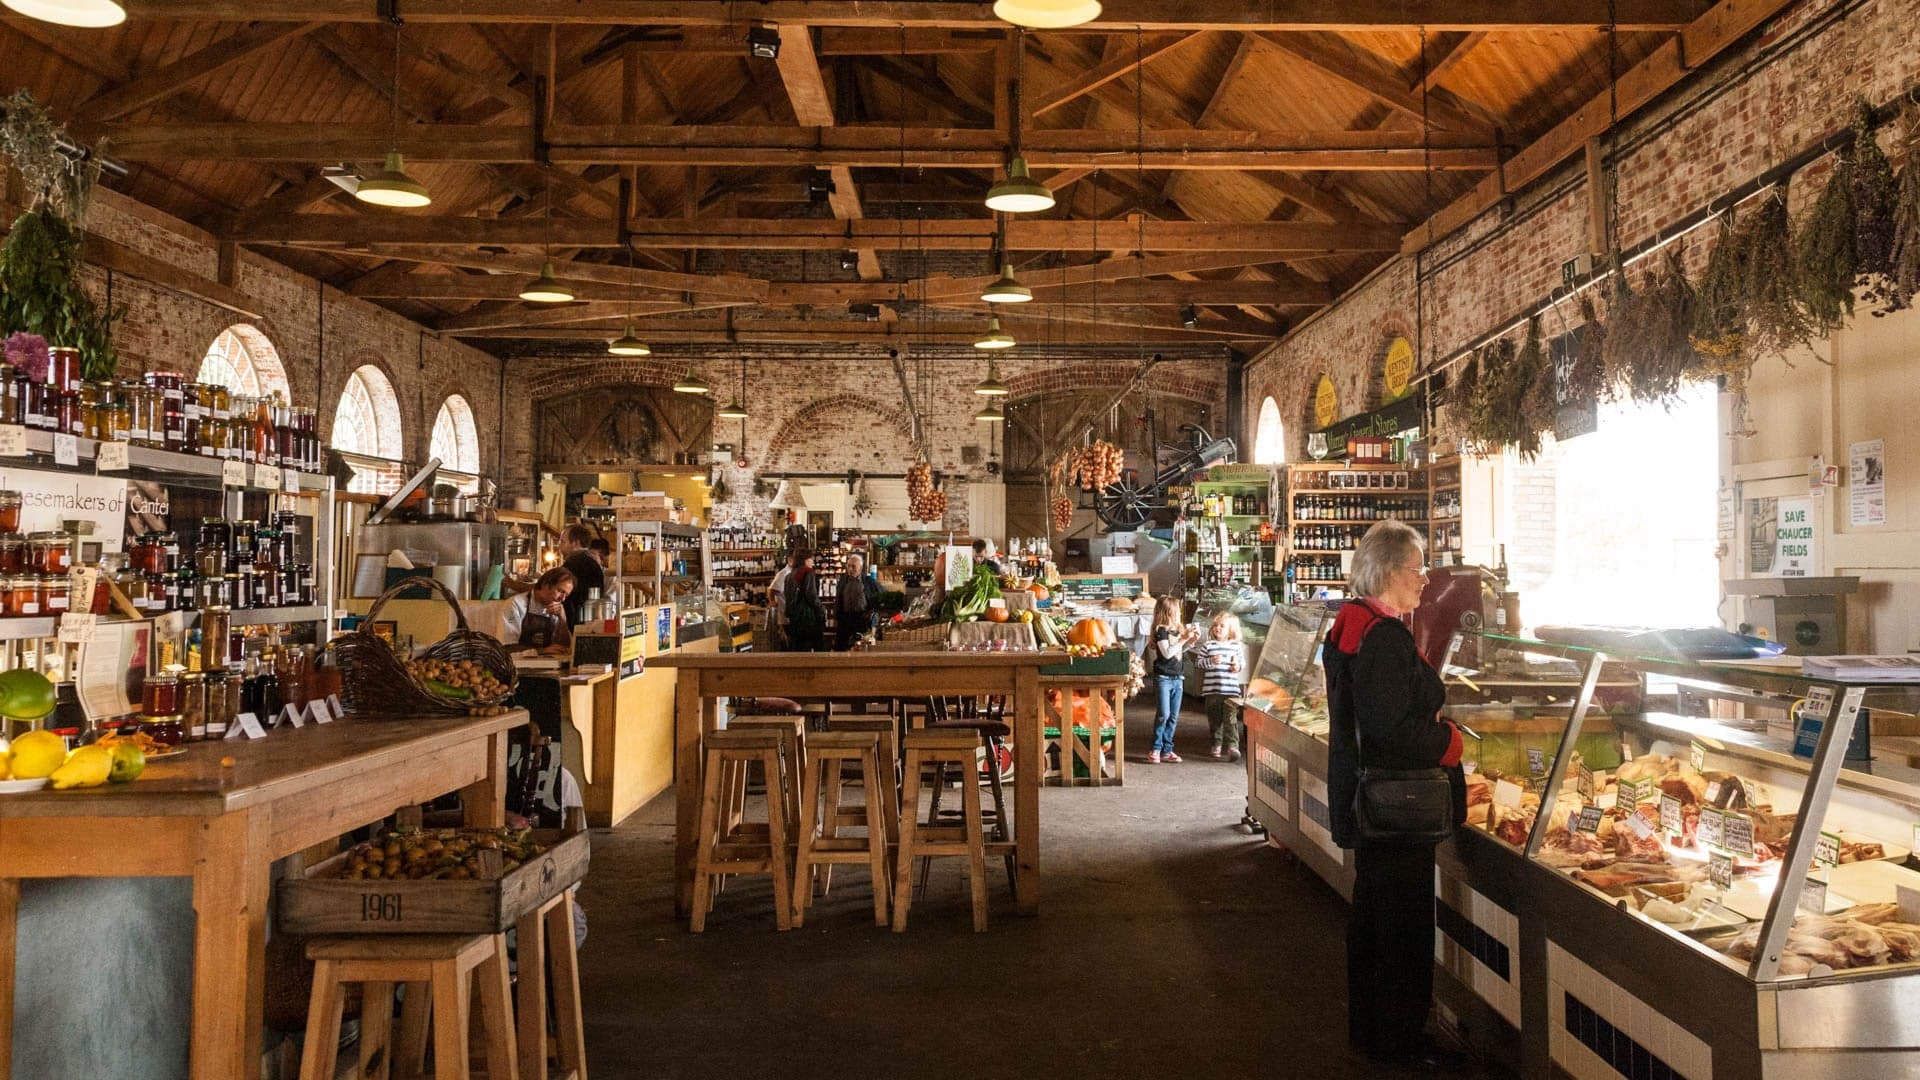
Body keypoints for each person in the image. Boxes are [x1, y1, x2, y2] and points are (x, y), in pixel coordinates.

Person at [1324, 520, 1466, 1072]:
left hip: (1369, 800)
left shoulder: (1352, 622)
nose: (1425, 579)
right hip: (1397, 806)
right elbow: (1391, 731)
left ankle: (1374, 1029)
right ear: (1387, 572)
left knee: (1375, 919)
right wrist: (1447, 743)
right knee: (1402, 927)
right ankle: (1401, 1039)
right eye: (1417, 568)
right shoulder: (1383, 637)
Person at [1148, 595, 1199, 764]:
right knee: (1164, 713)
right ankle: (1156, 748)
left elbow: (1177, 653)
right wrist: (1184, 639)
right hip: (1163, 678)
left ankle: (1167, 749)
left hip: (1178, 677)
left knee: (1173, 716)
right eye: (1177, 611)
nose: (1179, 614)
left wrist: (1189, 643)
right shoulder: (1161, 631)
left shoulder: (1177, 631)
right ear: (1168, 613)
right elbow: (1167, 653)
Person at [1197, 611, 1246, 761]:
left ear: (1231, 630)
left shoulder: (1236, 647)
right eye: (1215, 625)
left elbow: (1241, 664)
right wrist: (1210, 661)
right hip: (1212, 690)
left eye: (1222, 626)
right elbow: (1198, 663)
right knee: (1214, 719)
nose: (1217, 628)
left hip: (1231, 690)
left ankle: (1233, 746)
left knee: (1230, 719)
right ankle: (1216, 743)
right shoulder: (1208, 646)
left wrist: (1236, 667)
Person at [501, 566, 576, 654]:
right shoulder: (516, 604)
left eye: (566, 595)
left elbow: (564, 647)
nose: (562, 599)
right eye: (560, 591)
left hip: (547, 663)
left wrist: (562, 619)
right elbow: (507, 647)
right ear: (545, 585)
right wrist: (541, 651)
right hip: (518, 664)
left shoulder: (557, 608)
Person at [557, 524, 604, 626]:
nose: (558, 545)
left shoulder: (574, 562)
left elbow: (557, 589)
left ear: (576, 543)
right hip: (590, 620)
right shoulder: (591, 561)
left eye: (562, 541)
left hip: (575, 621)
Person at [781, 549, 827, 652]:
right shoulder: (808, 573)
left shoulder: (789, 576)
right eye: (811, 559)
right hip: (808, 618)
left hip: (794, 619)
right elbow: (811, 596)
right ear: (805, 560)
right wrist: (821, 609)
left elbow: (787, 597)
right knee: (819, 648)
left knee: (798, 650)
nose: (813, 562)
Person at [834, 552, 879, 650]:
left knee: (862, 648)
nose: (850, 569)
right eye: (848, 566)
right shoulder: (843, 580)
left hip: (862, 620)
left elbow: (879, 597)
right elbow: (838, 599)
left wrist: (871, 612)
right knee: (841, 649)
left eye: (853, 566)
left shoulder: (869, 582)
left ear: (861, 568)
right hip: (845, 619)